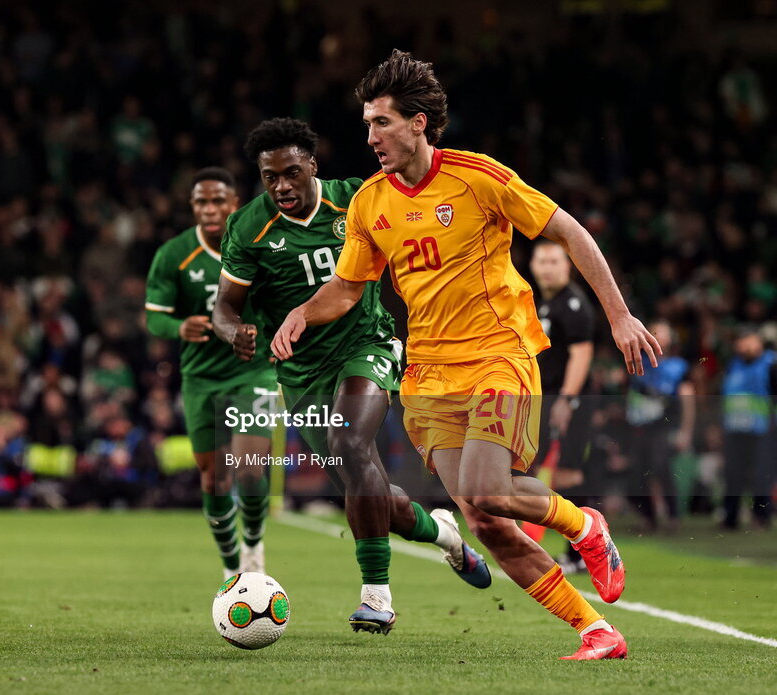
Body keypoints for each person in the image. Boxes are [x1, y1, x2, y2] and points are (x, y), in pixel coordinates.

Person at [272, 50, 661, 660]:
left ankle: (584, 526)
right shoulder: (371, 203)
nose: (369, 135)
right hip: (427, 369)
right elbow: (348, 288)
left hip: (497, 352)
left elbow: (570, 232)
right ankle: (597, 630)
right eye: (368, 123)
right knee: (482, 520)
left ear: (419, 123)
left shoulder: (478, 177)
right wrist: (301, 311)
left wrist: (618, 314)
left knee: (487, 489)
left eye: (382, 122)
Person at [214, 117, 490, 635]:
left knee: (349, 440)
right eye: (270, 177)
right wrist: (234, 332)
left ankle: (376, 597)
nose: (282, 187)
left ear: (313, 166)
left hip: (367, 342)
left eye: (292, 173)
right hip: (300, 371)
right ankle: (446, 535)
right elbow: (223, 308)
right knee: (371, 493)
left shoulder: (356, 201)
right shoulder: (249, 228)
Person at [145, 167, 276, 577]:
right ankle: (231, 565)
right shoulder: (174, 254)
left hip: (252, 372)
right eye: (202, 201)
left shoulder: (259, 243)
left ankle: (254, 540)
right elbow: (154, 318)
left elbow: (282, 297)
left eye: (219, 200)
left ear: (234, 204)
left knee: (252, 467)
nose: (210, 208)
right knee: (214, 477)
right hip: (201, 379)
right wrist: (177, 327)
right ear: (192, 207)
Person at [528, 240, 596, 574]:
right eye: (542, 261)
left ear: (567, 266)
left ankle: (584, 551)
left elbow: (581, 354)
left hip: (571, 400)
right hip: (548, 396)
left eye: (554, 261)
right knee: (554, 473)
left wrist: (567, 400)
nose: (547, 267)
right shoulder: (543, 302)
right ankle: (579, 549)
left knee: (569, 473)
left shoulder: (573, 303)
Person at [625, 319, 695, 531]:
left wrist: (685, 431)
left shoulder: (679, 366)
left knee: (661, 467)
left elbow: (687, 399)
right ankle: (648, 517)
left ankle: (673, 515)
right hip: (639, 427)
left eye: (662, 333)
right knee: (638, 471)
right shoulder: (638, 362)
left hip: (664, 426)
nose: (658, 336)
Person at [719, 326, 776, 530]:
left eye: (748, 341)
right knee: (733, 476)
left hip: (763, 431)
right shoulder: (733, 365)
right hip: (735, 431)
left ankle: (761, 516)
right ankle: (730, 518)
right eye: (740, 342)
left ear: (758, 341)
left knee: (762, 476)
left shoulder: (771, 364)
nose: (743, 346)